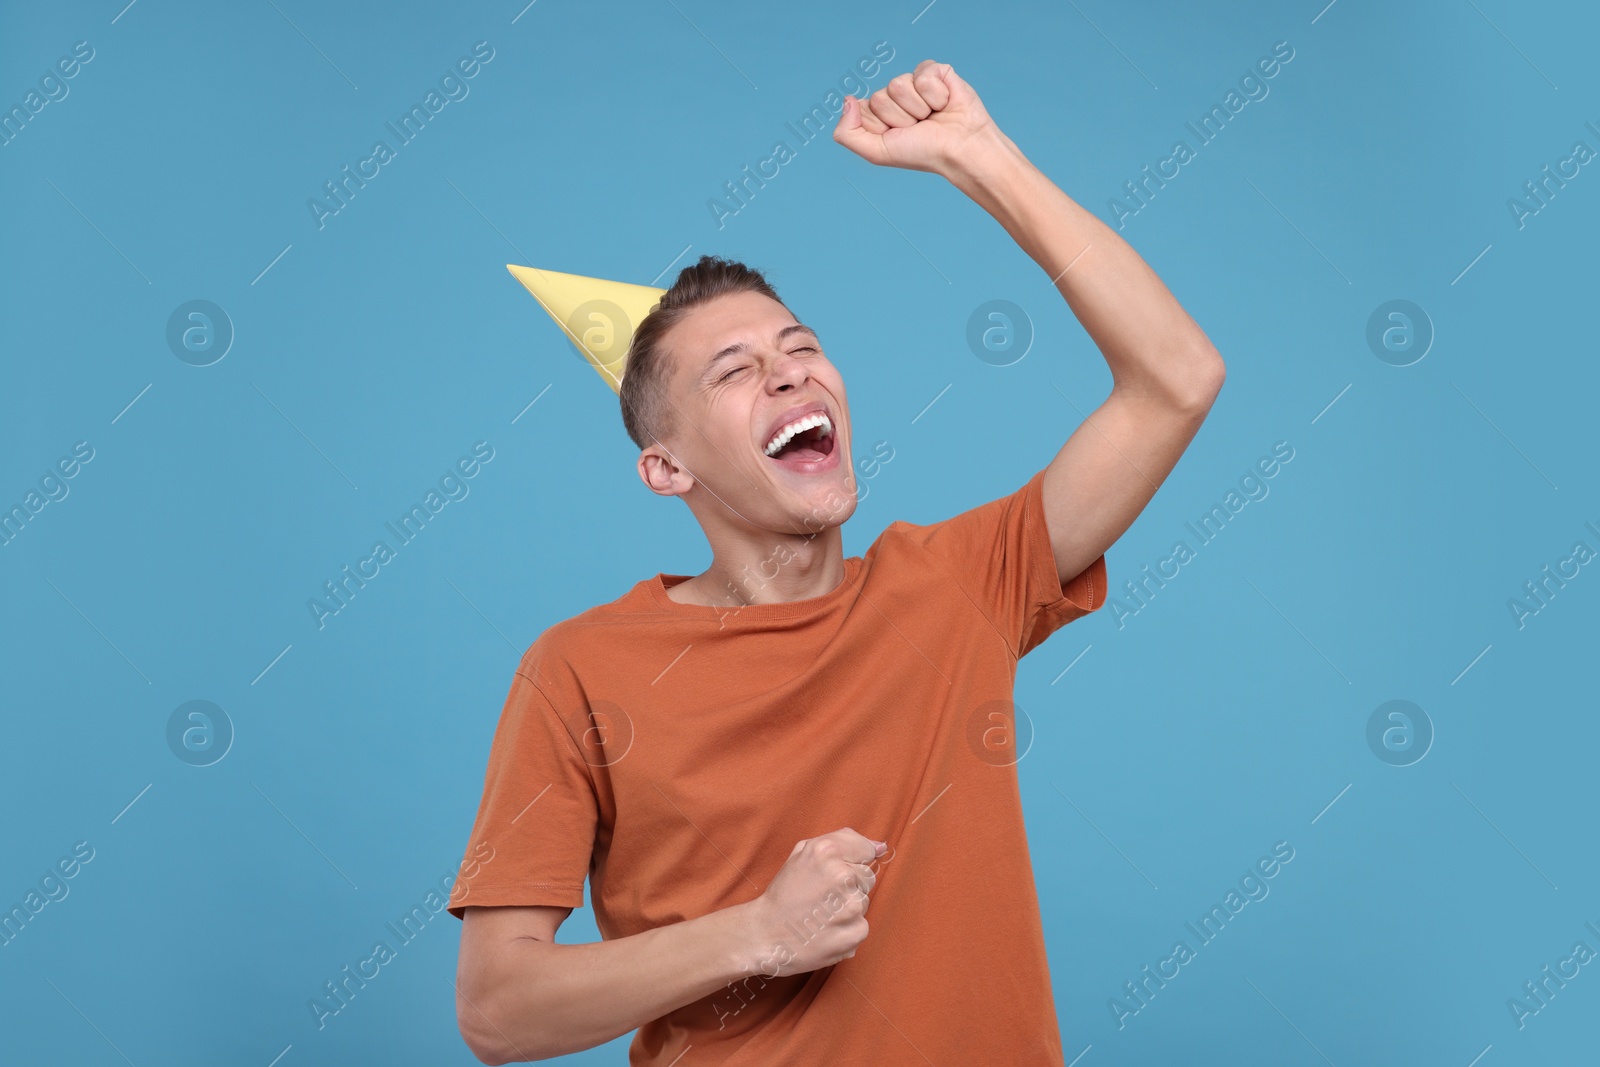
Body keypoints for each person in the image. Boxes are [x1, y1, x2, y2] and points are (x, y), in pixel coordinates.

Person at [448, 60, 1225, 1065]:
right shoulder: (578, 669)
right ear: (665, 466)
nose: (787, 370)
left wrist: (979, 159)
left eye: (799, 345)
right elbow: (497, 1009)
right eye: (733, 370)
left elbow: (1176, 377)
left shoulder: (957, 584)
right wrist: (758, 932)